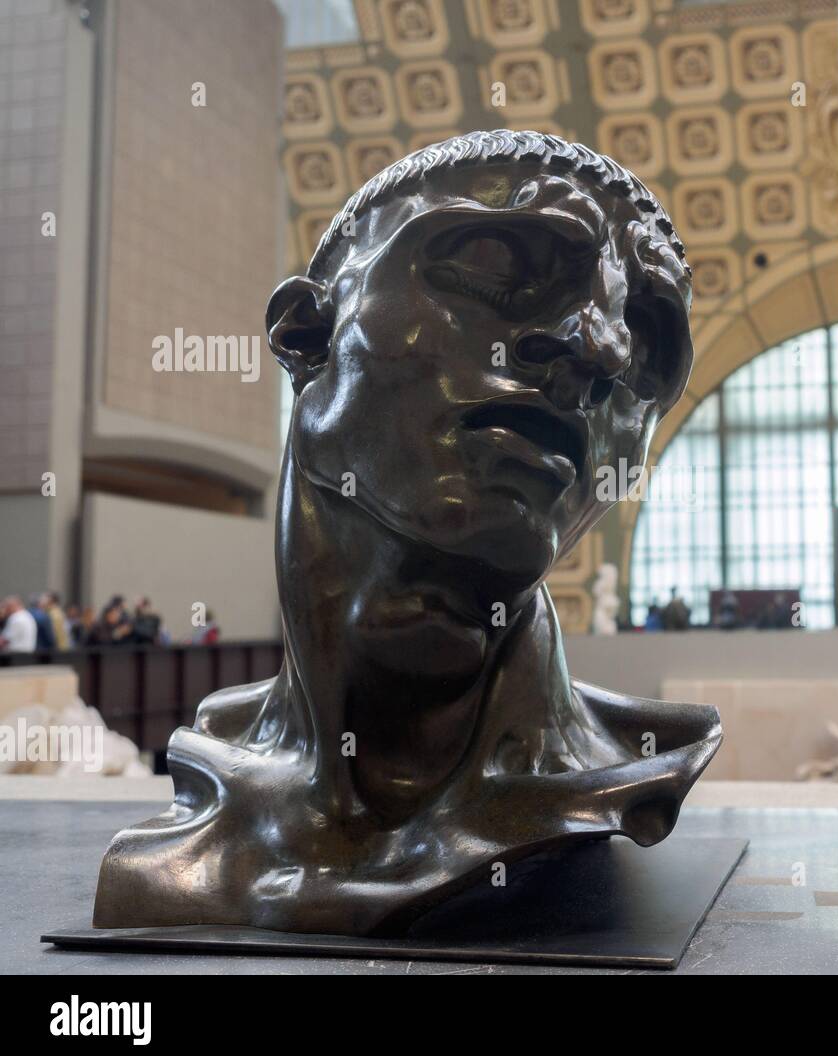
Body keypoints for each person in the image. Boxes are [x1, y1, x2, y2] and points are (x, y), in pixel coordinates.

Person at [93, 131, 720, 935]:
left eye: (648, 338)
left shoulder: (625, 772)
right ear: (305, 334)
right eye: (499, 266)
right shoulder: (208, 769)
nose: (601, 347)